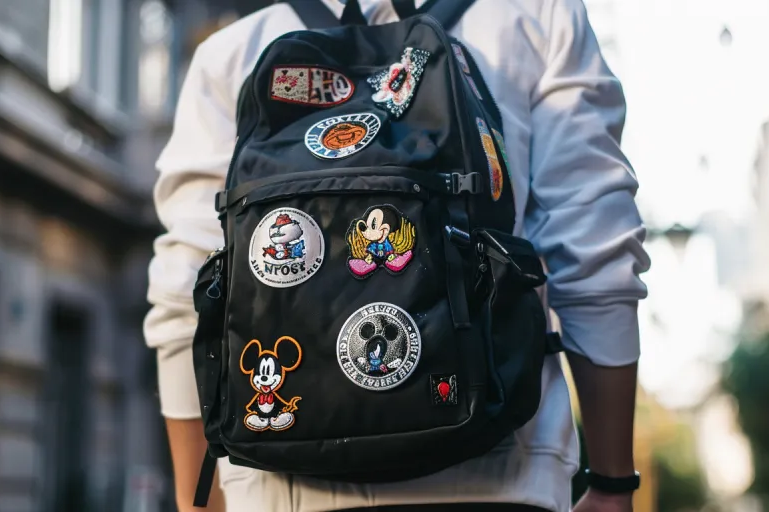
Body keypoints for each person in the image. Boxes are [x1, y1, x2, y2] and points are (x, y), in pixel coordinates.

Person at [144, 0, 651, 510]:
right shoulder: (536, 19)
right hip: (502, 473)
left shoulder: (233, 53)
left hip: (281, 488)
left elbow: (183, 290)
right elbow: (595, 250)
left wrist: (197, 504)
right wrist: (611, 482)